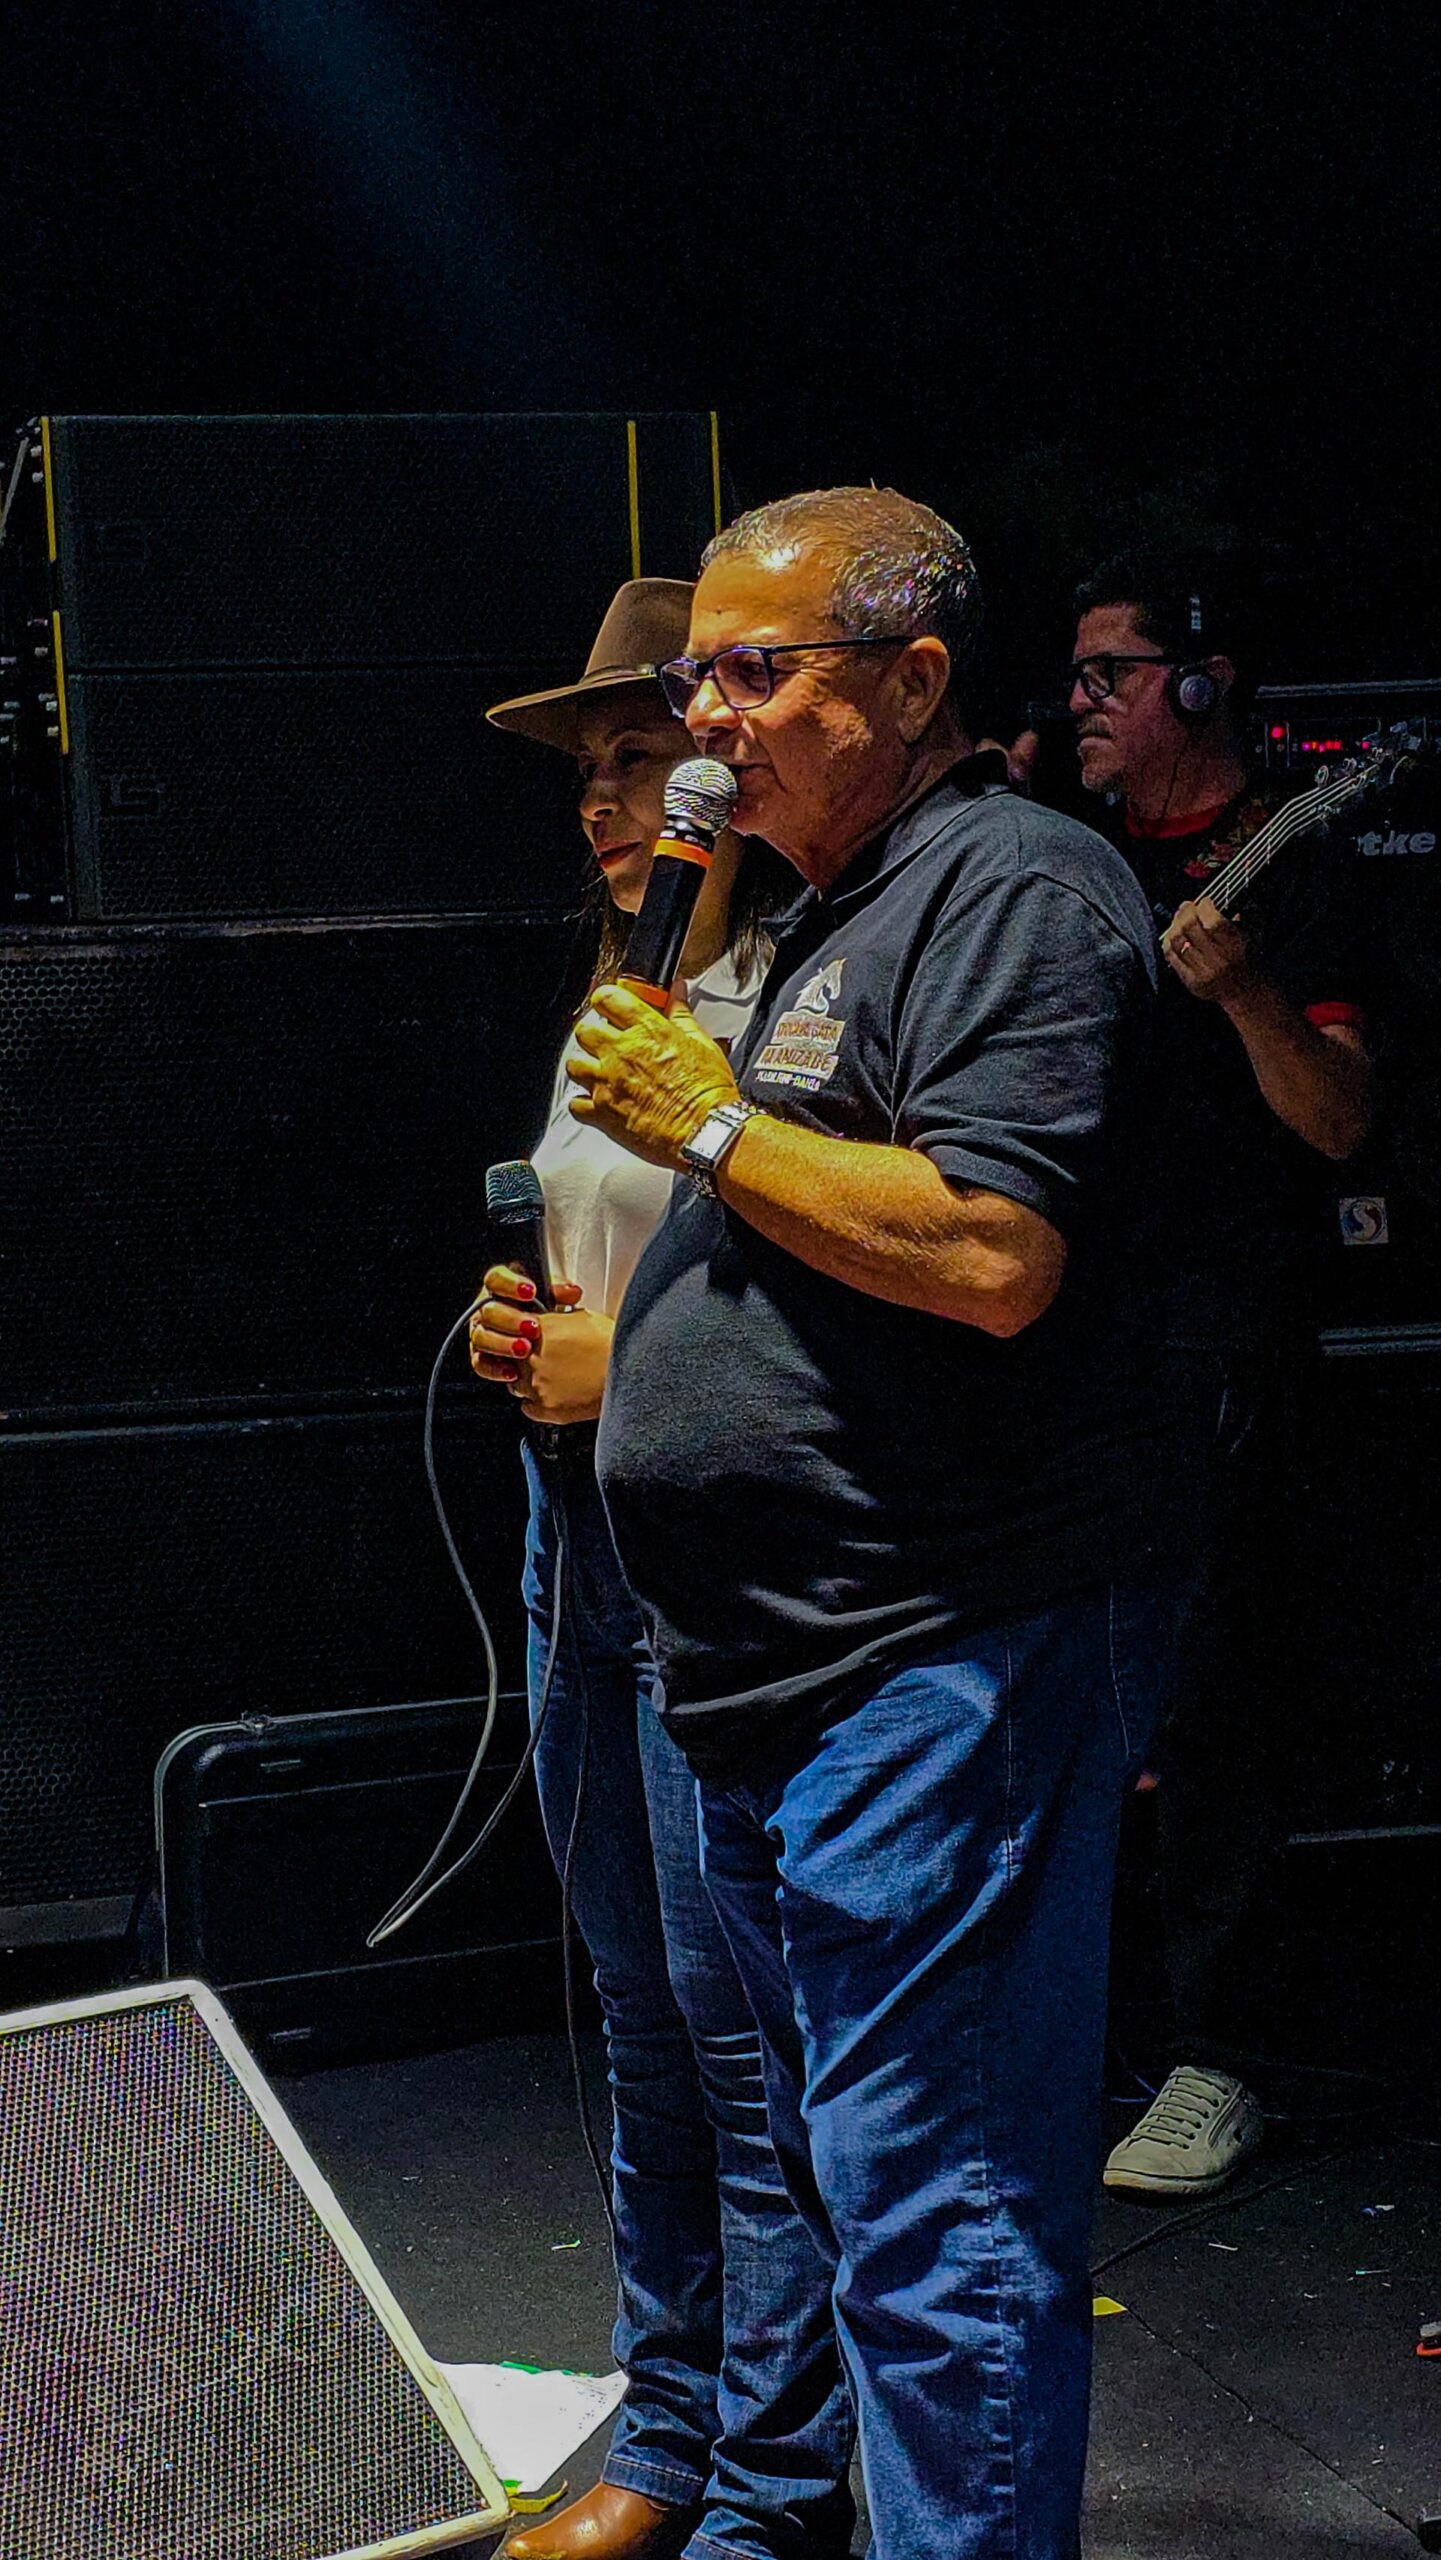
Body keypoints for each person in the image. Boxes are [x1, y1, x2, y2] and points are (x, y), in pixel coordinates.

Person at [563, 488, 1204, 2560]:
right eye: (696, 676)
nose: (705, 720)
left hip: (935, 1652)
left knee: (944, 2222)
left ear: (914, 682)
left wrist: (707, 1121)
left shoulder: (1014, 886)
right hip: (772, 1666)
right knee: (857, 2193)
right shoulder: (827, 911)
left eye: (755, 673)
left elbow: (994, 1253)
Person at [470, 580, 853, 2560]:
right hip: (583, 1534)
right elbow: (598, 1247)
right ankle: (669, 2429)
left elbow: (844, 1290)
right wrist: (519, 1321)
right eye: (591, 772)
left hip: (711, 1552)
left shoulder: (797, 996)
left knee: (733, 2025)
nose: (607, 800)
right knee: (636, 2000)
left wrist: (635, 1360)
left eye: (639, 758)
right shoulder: (611, 1005)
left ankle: (772, 2484)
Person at [1066, 550, 1376, 2196]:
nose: (1081, 703)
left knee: (1212, 1695)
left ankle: (1217, 2053)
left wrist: (1244, 991)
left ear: (1201, 683)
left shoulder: (1302, 862)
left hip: (1221, 1332)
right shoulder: (1057, 850)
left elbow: (1337, 1120)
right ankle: (1077, 2028)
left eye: (1110, 674)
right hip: (1064, 1327)